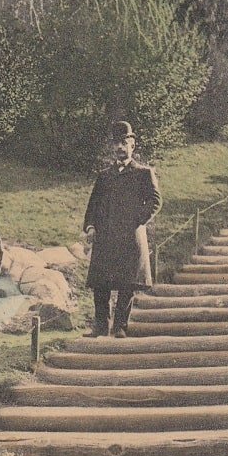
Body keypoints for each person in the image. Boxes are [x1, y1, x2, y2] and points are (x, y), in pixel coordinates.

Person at [83, 120, 162, 338]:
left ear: (132, 145)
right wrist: (90, 226)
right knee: (101, 284)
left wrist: (136, 219)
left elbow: (155, 201)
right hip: (106, 237)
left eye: (124, 143)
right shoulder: (105, 176)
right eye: (116, 143)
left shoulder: (144, 173)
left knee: (127, 284)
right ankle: (100, 327)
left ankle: (119, 327)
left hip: (129, 236)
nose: (120, 147)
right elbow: (93, 204)